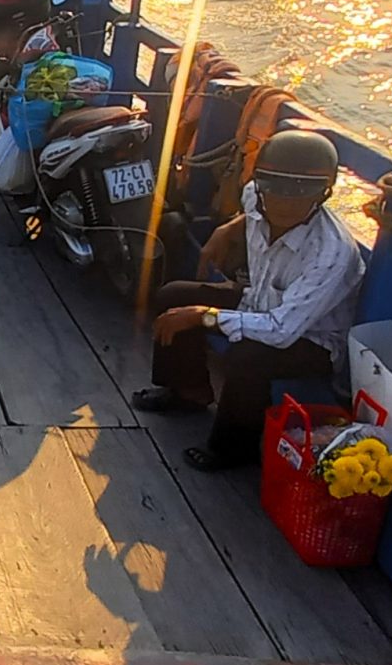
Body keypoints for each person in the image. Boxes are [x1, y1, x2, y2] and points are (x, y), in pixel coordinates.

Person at [135, 129, 367, 470]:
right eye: (273, 187)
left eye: (303, 191)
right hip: (260, 302)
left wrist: (204, 315)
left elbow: (281, 331)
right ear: (258, 184)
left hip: (309, 338)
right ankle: (188, 391)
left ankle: (234, 447)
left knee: (248, 357)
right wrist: (229, 228)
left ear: (325, 193)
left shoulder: (331, 254)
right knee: (172, 297)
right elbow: (251, 210)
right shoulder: (252, 197)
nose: (286, 201)